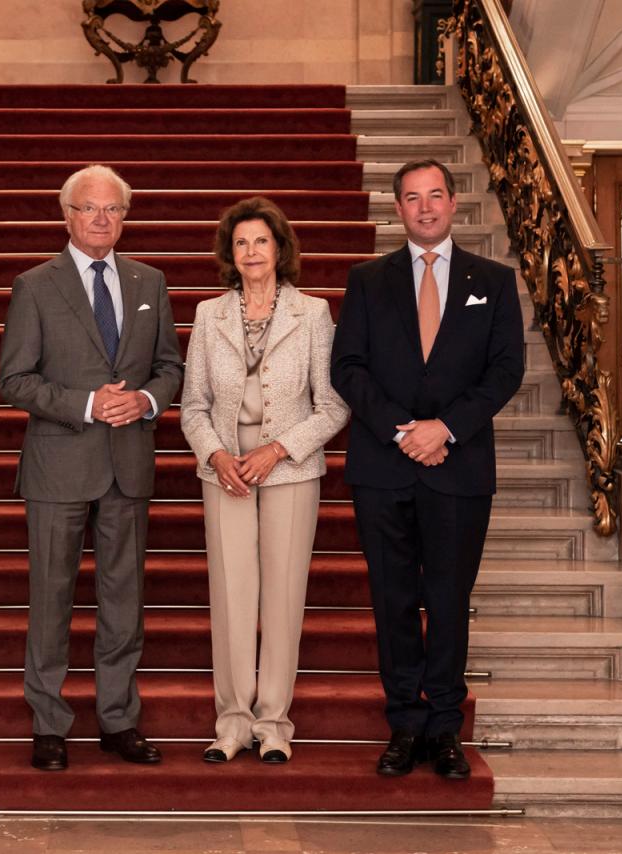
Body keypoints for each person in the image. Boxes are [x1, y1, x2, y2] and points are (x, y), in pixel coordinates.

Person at [330, 159, 524, 780]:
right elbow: (348, 368)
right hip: (383, 468)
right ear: (399, 209)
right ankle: (403, 724)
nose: (425, 207)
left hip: (459, 466)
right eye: (411, 198)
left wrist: (445, 429)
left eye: (434, 195)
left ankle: (445, 726)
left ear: (453, 201)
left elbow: (504, 370)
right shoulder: (367, 280)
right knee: (392, 601)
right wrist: (403, 430)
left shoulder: (493, 280)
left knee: (446, 598)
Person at [0, 165, 183, 771]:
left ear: (124, 218)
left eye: (113, 210)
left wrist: (148, 400)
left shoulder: (150, 281)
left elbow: (170, 367)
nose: (101, 219)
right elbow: (14, 379)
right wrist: (85, 404)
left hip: (127, 463)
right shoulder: (35, 285)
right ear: (67, 215)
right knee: (50, 598)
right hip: (58, 465)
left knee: (123, 600)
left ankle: (118, 718)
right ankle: (49, 722)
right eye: (89, 209)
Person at [181, 197, 349, 764]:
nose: (252, 252)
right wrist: (217, 454)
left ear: (280, 249)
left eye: (261, 241)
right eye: (241, 243)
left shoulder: (314, 313)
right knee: (230, 596)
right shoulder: (209, 315)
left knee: (282, 597)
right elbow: (192, 406)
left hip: (291, 469)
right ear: (230, 255)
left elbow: (331, 407)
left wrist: (279, 449)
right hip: (225, 472)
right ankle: (231, 721)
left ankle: (274, 722)